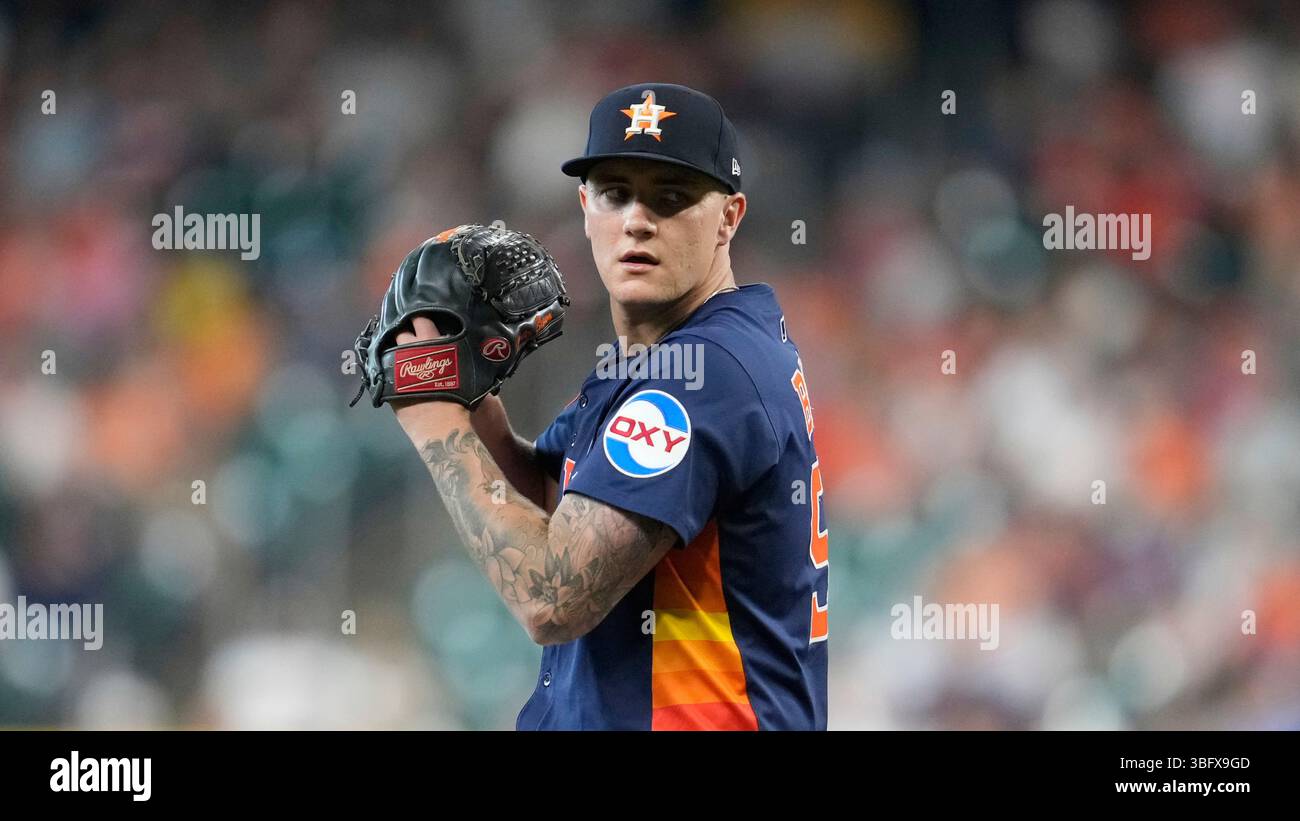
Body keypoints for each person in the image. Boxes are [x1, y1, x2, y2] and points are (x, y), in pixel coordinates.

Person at [390, 83, 827, 730]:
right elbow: (553, 496)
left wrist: (431, 415)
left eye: (671, 197)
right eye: (615, 193)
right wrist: (472, 396)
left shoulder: (705, 375)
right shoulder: (660, 359)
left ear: (730, 217)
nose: (637, 219)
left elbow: (552, 596)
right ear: (584, 206)